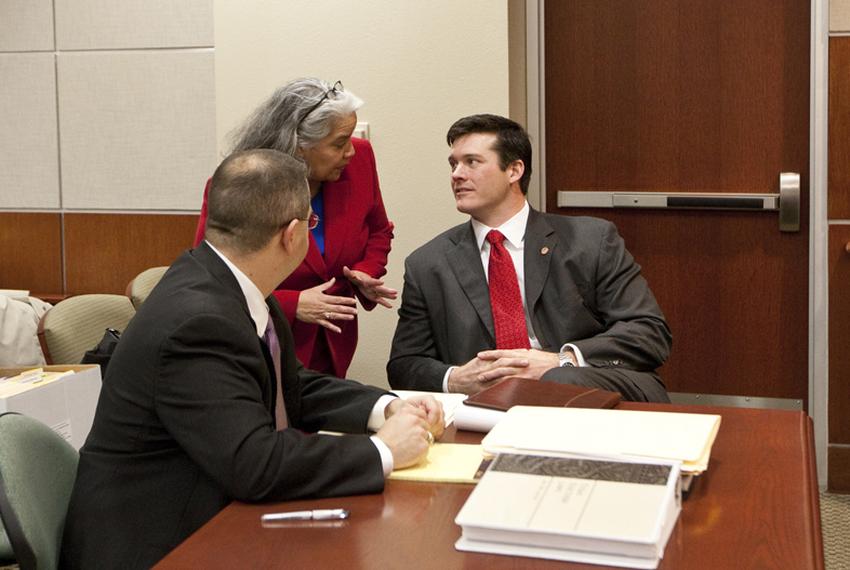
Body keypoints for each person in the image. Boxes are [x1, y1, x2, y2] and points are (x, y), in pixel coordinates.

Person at [61, 150, 443, 569]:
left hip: (212, 510)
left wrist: (386, 406)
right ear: (292, 234)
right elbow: (254, 463)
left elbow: (290, 383)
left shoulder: (229, 282)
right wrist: (381, 452)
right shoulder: (198, 321)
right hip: (156, 543)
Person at [387, 114, 671, 402]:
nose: (457, 174)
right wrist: (457, 379)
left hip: (589, 390)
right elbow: (404, 364)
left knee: (559, 379)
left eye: (472, 162)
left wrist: (560, 361)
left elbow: (647, 333)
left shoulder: (590, 240)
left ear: (514, 170)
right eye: (453, 164)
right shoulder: (427, 264)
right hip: (489, 404)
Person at [194, 78, 396, 378]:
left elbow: (379, 229)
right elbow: (212, 277)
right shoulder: (240, 185)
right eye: (339, 143)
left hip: (334, 341)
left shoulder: (360, 158)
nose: (350, 151)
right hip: (262, 342)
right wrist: (292, 304)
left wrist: (366, 271)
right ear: (299, 147)